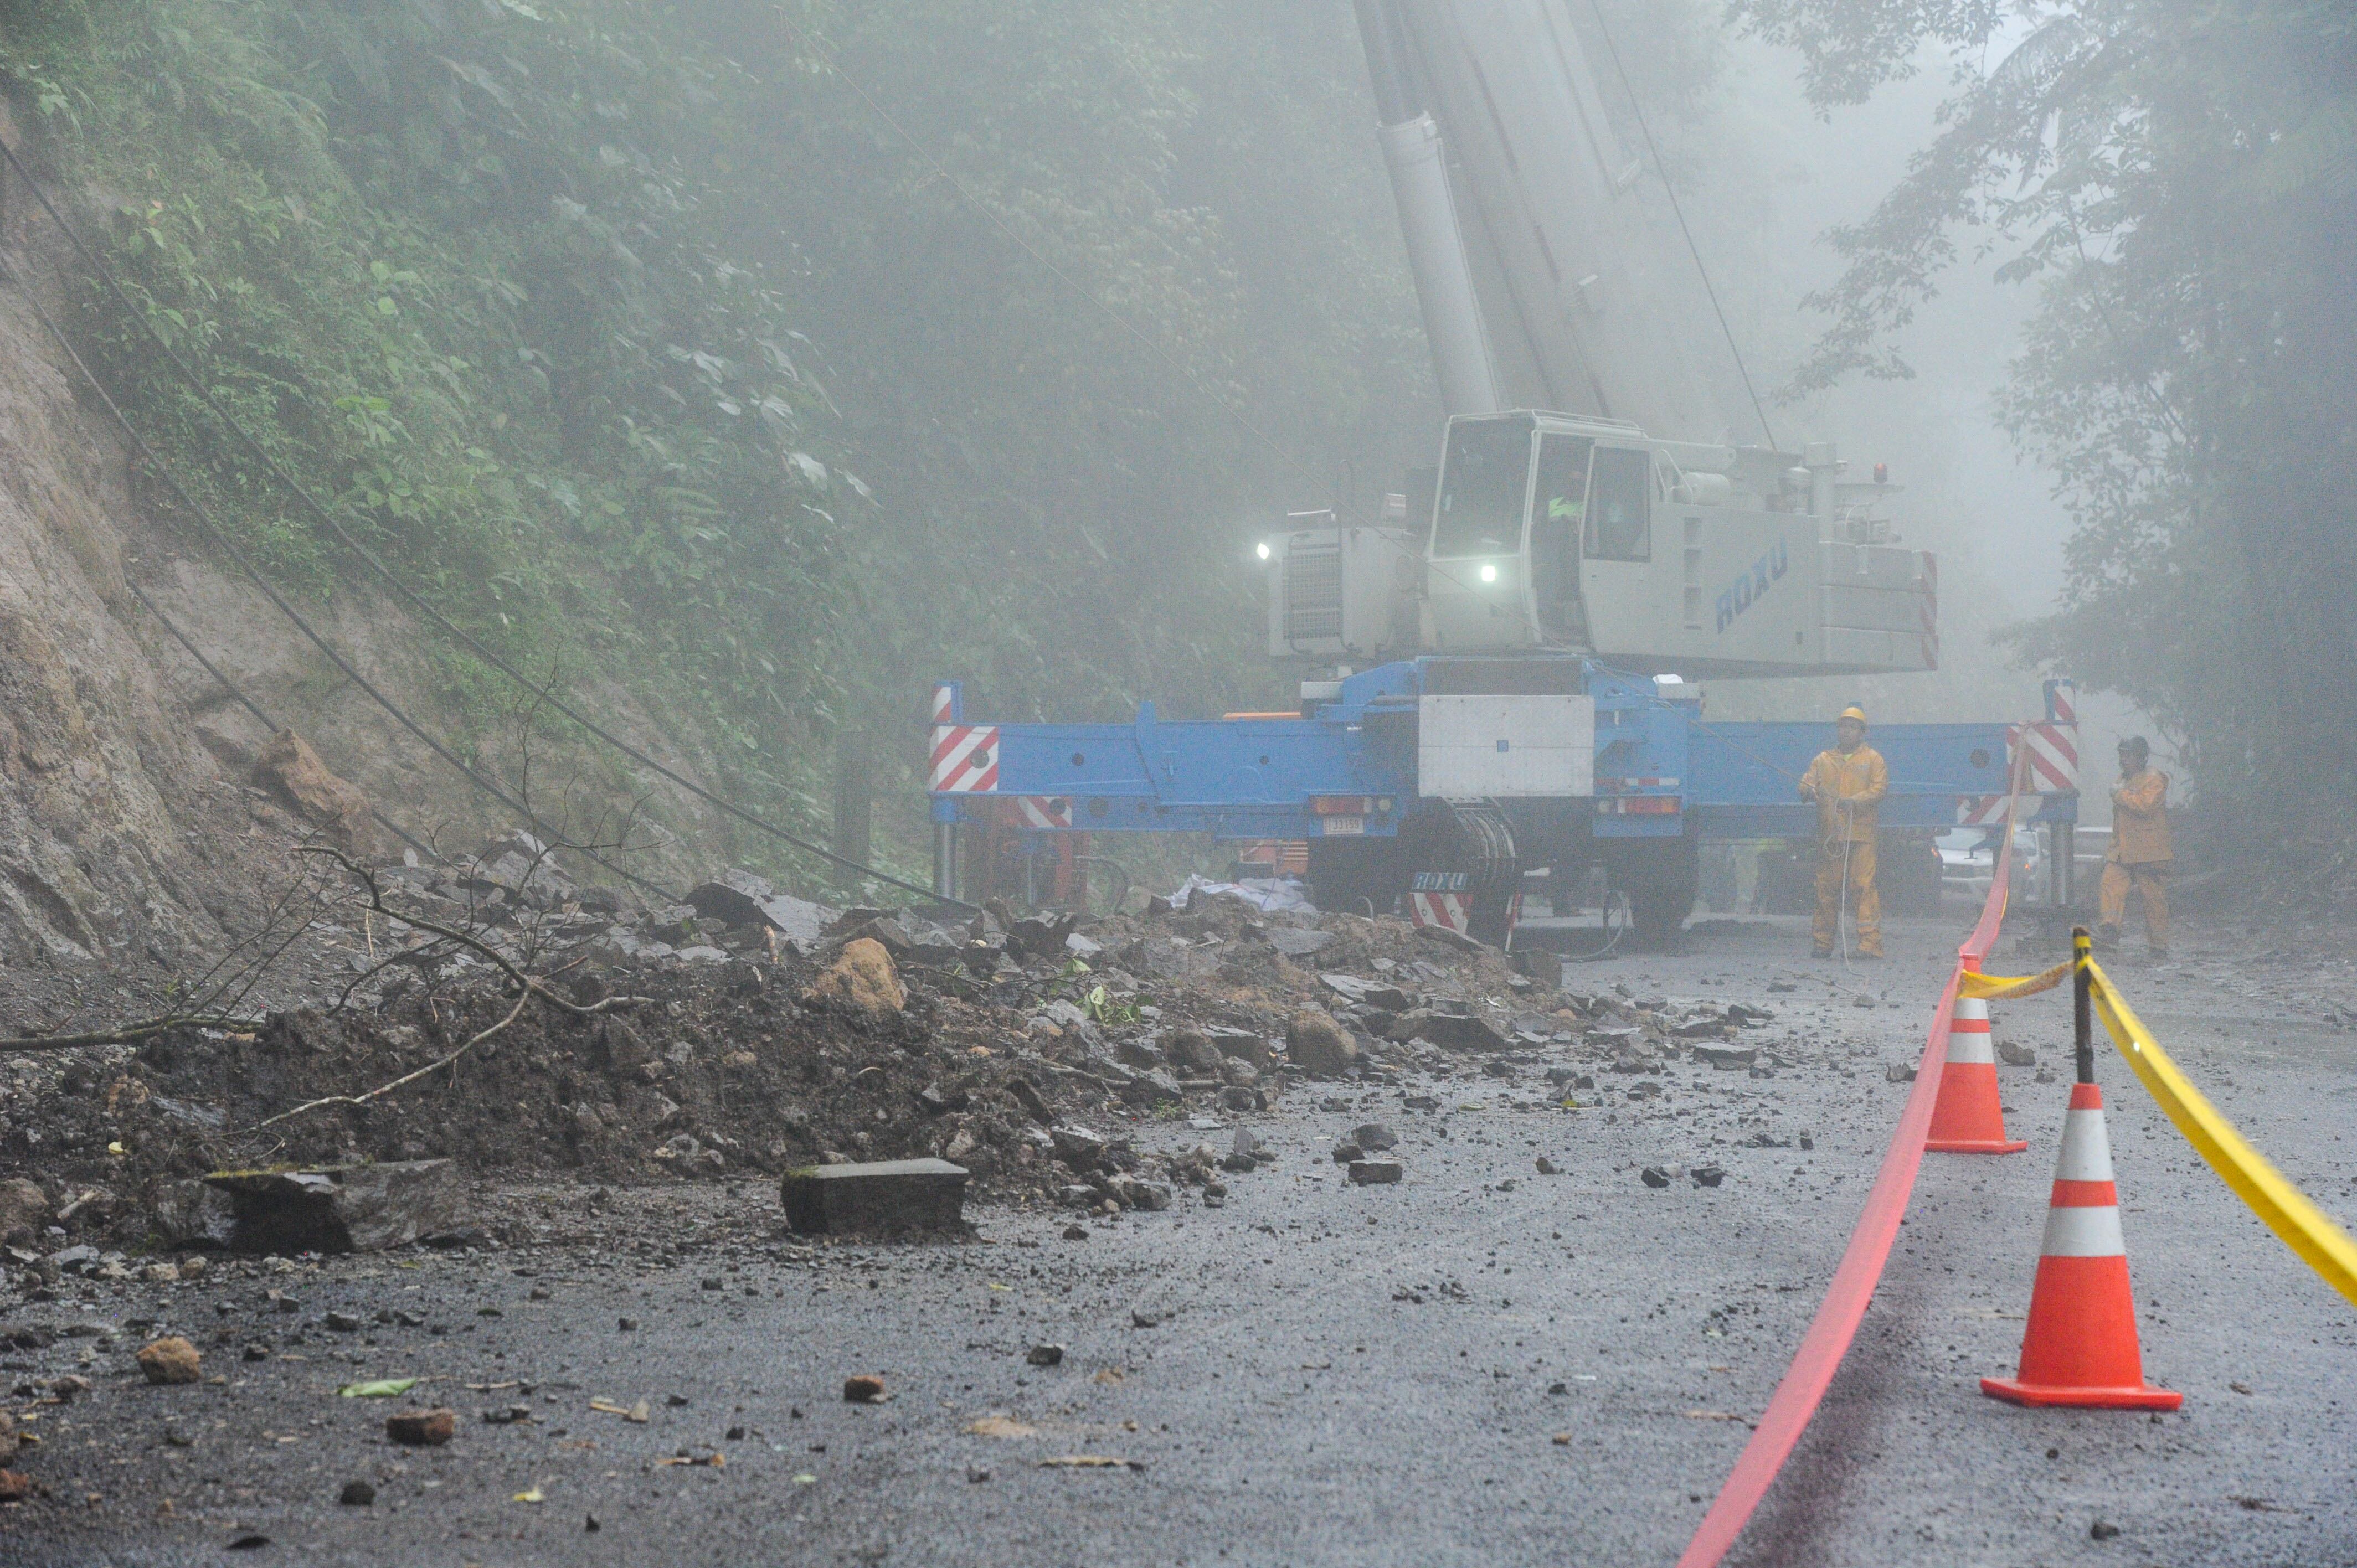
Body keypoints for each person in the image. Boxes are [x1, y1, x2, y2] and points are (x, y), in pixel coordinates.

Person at [1798, 705, 1888, 959]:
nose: (1847, 732)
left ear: (1862, 732)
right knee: (1826, 888)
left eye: (1853, 728)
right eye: (1843, 727)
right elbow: (1805, 784)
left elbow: (1880, 789)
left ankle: (1870, 945)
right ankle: (1822, 944)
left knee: (1863, 887)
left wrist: (1854, 801)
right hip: (1832, 835)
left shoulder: (1873, 760)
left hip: (1861, 835)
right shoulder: (1823, 760)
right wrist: (1809, 791)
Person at [2098, 736, 2171, 957]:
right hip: (2122, 851)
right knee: (2110, 885)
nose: (2124, 759)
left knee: (2154, 900)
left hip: (2149, 852)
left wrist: (2120, 794)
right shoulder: (2123, 779)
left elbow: (2145, 806)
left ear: (2142, 757)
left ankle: (2159, 946)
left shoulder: (2154, 779)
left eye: (2129, 755)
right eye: (2122, 754)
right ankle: (2110, 930)